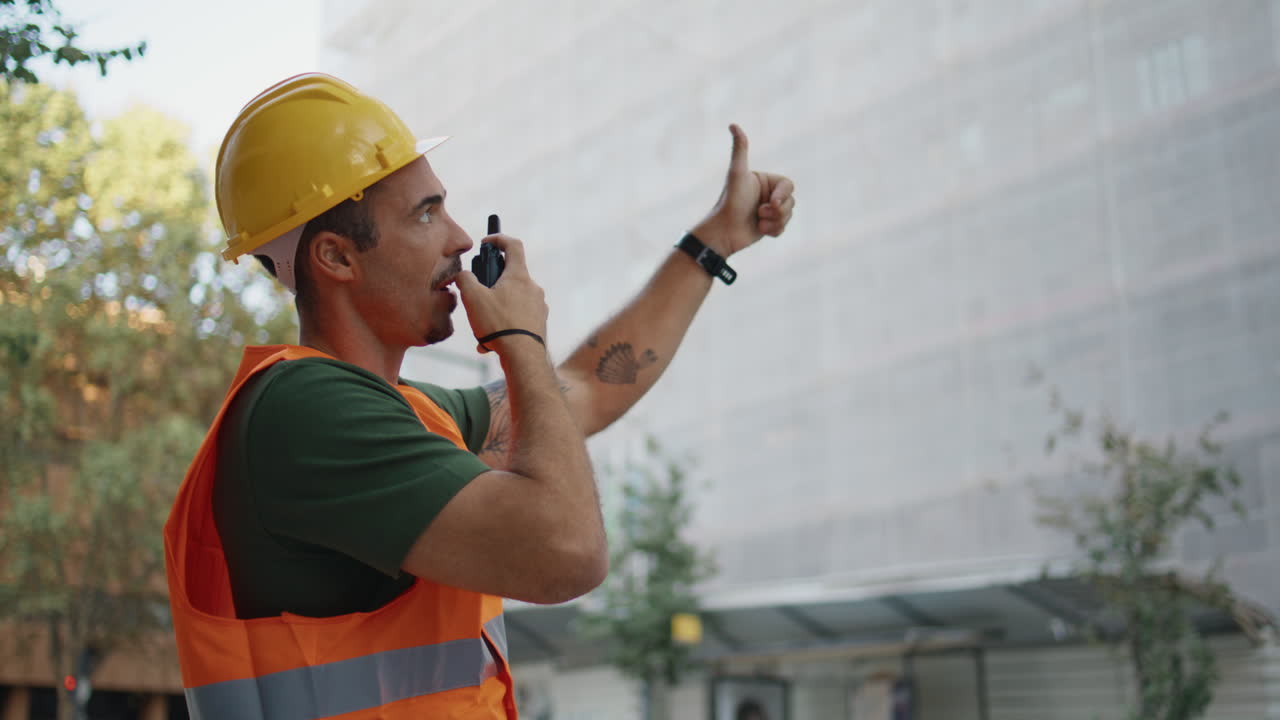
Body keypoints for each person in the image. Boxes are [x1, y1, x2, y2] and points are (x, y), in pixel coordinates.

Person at [163, 73, 795, 719]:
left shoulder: (405, 415)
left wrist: (713, 240)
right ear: (337, 258)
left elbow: (584, 389)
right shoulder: (307, 411)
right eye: (426, 213)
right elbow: (567, 556)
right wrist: (520, 338)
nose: (461, 239)